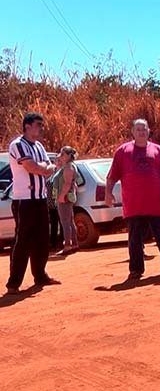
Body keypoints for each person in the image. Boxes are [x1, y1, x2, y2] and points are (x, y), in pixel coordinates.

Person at [106, 119, 160, 280]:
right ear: (132, 132)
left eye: (144, 129)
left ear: (149, 132)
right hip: (134, 206)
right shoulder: (122, 152)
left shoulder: (159, 151)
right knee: (135, 240)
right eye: (138, 129)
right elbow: (112, 176)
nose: (141, 132)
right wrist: (108, 193)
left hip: (158, 205)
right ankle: (136, 270)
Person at [5, 112, 59, 295]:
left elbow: (49, 167)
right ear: (27, 126)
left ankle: (40, 275)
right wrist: (45, 168)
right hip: (24, 200)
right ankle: (13, 283)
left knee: (43, 239)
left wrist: (45, 168)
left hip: (40, 199)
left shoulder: (39, 146)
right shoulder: (18, 144)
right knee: (23, 242)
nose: (41, 128)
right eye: (38, 124)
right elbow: (32, 167)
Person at [53, 146, 80, 256]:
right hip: (67, 197)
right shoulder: (67, 166)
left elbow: (68, 183)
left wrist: (61, 196)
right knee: (69, 221)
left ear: (69, 156)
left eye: (63, 154)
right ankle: (74, 243)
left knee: (65, 222)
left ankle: (67, 245)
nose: (61, 156)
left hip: (65, 198)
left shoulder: (69, 167)